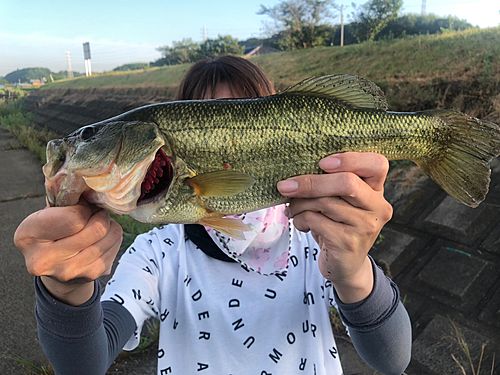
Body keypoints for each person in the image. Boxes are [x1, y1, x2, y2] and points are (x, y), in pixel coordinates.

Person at [14, 55, 411, 375]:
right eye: (210, 116)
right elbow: (86, 363)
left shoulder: (318, 241)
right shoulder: (160, 254)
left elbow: (393, 359)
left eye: (243, 114)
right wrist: (66, 294)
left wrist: (354, 270)